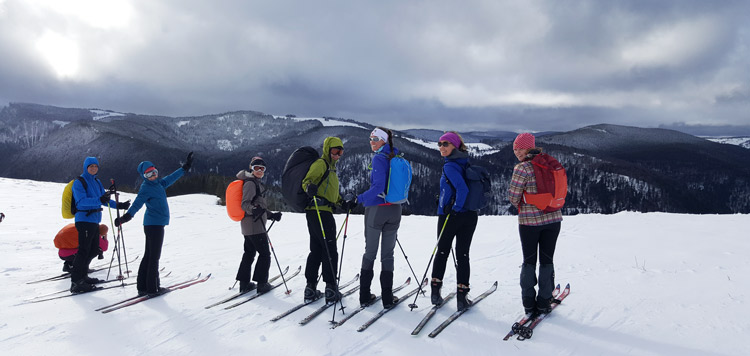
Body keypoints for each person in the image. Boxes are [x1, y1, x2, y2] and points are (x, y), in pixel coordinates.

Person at [115, 152, 193, 297]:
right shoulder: (146, 187)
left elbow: (171, 178)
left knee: (149, 256)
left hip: (154, 225)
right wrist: (126, 217)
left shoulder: (159, 183)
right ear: (144, 177)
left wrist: (184, 168)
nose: (153, 176)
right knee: (154, 257)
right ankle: (152, 288)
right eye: (149, 175)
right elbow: (137, 204)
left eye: (154, 172)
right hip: (153, 226)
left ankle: (142, 286)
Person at [508, 133, 563, 315]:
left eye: (520, 148)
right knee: (547, 261)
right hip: (553, 220)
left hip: (529, 222)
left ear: (529, 147)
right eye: (515, 148)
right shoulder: (550, 164)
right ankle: (544, 302)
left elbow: (513, 197)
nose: (517, 152)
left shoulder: (522, 168)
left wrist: (525, 204)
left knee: (529, 262)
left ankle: (529, 303)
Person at [354, 127, 403, 308]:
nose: (372, 142)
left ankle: (365, 296)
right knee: (388, 254)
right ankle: (388, 299)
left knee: (370, 253)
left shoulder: (379, 159)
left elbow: (377, 188)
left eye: (375, 138)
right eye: (370, 138)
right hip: (395, 209)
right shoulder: (396, 158)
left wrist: (358, 199)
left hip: (377, 210)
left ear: (383, 141)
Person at [431, 131, 479, 311]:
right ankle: (462, 297)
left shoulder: (450, 166)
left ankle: (435, 294)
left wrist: (454, 208)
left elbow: (462, 189)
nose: (442, 147)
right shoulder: (464, 161)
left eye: (446, 144)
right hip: (470, 216)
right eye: (440, 144)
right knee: (463, 255)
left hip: (451, 216)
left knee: (442, 252)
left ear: (455, 146)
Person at [302, 136, 350, 304]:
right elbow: (307, 182)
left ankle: (310, 287)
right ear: (327, 150)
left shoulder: (331, 168)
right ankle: (330, 287)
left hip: (320, 211)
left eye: (341, 151)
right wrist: (309, 187)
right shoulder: (321, 164)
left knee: (316, 249)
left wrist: (341, 202)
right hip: (319, 212)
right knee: (330, 250)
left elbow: (330, 192)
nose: (338, 154)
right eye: (335, 151)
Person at [70, 157, 130, 293]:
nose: (93, 168)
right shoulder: (79, 182)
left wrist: (120, 205)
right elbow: (81, 202)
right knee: (83, 250)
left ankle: (83, 276)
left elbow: (104, 200)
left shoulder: (97, 182)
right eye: (90, 166)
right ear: (85, 167)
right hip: (84, 219)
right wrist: (99, 199)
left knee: (93, 250)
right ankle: (76, 282)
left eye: (95, 166)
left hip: (94, 221)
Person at [235, 157, 282, 294]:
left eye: (262, 169)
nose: (260, 171)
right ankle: (262, 284)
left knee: (249, 254)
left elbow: (259, 206)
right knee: (265, 254)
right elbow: (245, 204)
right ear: (251, 168)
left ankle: (244, 284)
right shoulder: (250, 183)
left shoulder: (254, 182)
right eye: (257, 168)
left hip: (248, 227)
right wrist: (254, 210)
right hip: (255, 226)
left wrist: (271, 215)